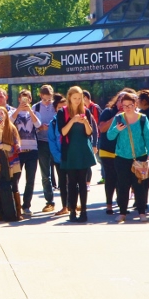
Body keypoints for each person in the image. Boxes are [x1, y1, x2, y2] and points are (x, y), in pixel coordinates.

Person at [107, 93, 149, 222]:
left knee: (140, 185)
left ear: (135, 105)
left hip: (139, 156)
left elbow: (148, 137)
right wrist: (116, 129)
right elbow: (109, 136)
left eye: (130, 105)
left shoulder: (143, 119)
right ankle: (122, 212)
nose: (127, 108)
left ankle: (141, 212)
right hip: (121, 157)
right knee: (123, 185)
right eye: (124, 105)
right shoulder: (118, 118)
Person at [58, 86, 96, 223]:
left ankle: (84, 211)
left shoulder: (86, 111)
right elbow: (62, 132)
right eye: (75, 98)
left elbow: (89, 132)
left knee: (83, 183)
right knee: (72, 183)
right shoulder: (63, 112)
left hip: (83, 151)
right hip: (70, 151)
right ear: (69, 98)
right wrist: (73, 120)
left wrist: (85, 121)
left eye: (79, 98)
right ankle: (72, 210)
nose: (77, 101)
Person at [9, 89, 44, 218]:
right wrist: (18, 110)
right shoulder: (13, 112)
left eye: (27, 98)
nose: (25, 100)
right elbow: (9, 122)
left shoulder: (35, 113)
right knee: (15, 178)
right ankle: (14, 204)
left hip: (32, 150)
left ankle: (26, 205)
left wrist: (29, 111)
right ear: (19, 99)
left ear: (30, 100)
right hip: (18, 151)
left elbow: (38, 124)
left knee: (30, 179)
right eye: (22, 98)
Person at [98, 91, 133, 215]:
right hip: (107, 150)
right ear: (116, 101)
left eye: (125, 101)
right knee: (110, 178)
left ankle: (122, 204)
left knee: (122, 179)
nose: (122, 104)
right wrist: (116, 117)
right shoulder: (108, 112)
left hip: (123, 151)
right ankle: (109, 205)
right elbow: (101, 128)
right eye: (120, 100)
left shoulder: (131, 114)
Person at [0, 105, 21, 221]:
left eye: (2, 114)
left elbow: (16, 147)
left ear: (6, 115)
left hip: (11, 160)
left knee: (14, 184)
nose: (0, 116)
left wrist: (4, 146)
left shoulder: (12, 128)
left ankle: (18, 211)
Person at [33, 85, 57, 213]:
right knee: (45, 174)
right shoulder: (35, 107)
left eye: (49, 99)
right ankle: (49, 201)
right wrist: (39, 128)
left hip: (55, 142)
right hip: (42, 142)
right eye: (45, 99)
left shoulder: (56, 106)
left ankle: (68, 201)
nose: (48, 102)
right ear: (41, 96)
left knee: (61, 171)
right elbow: (31, 126)